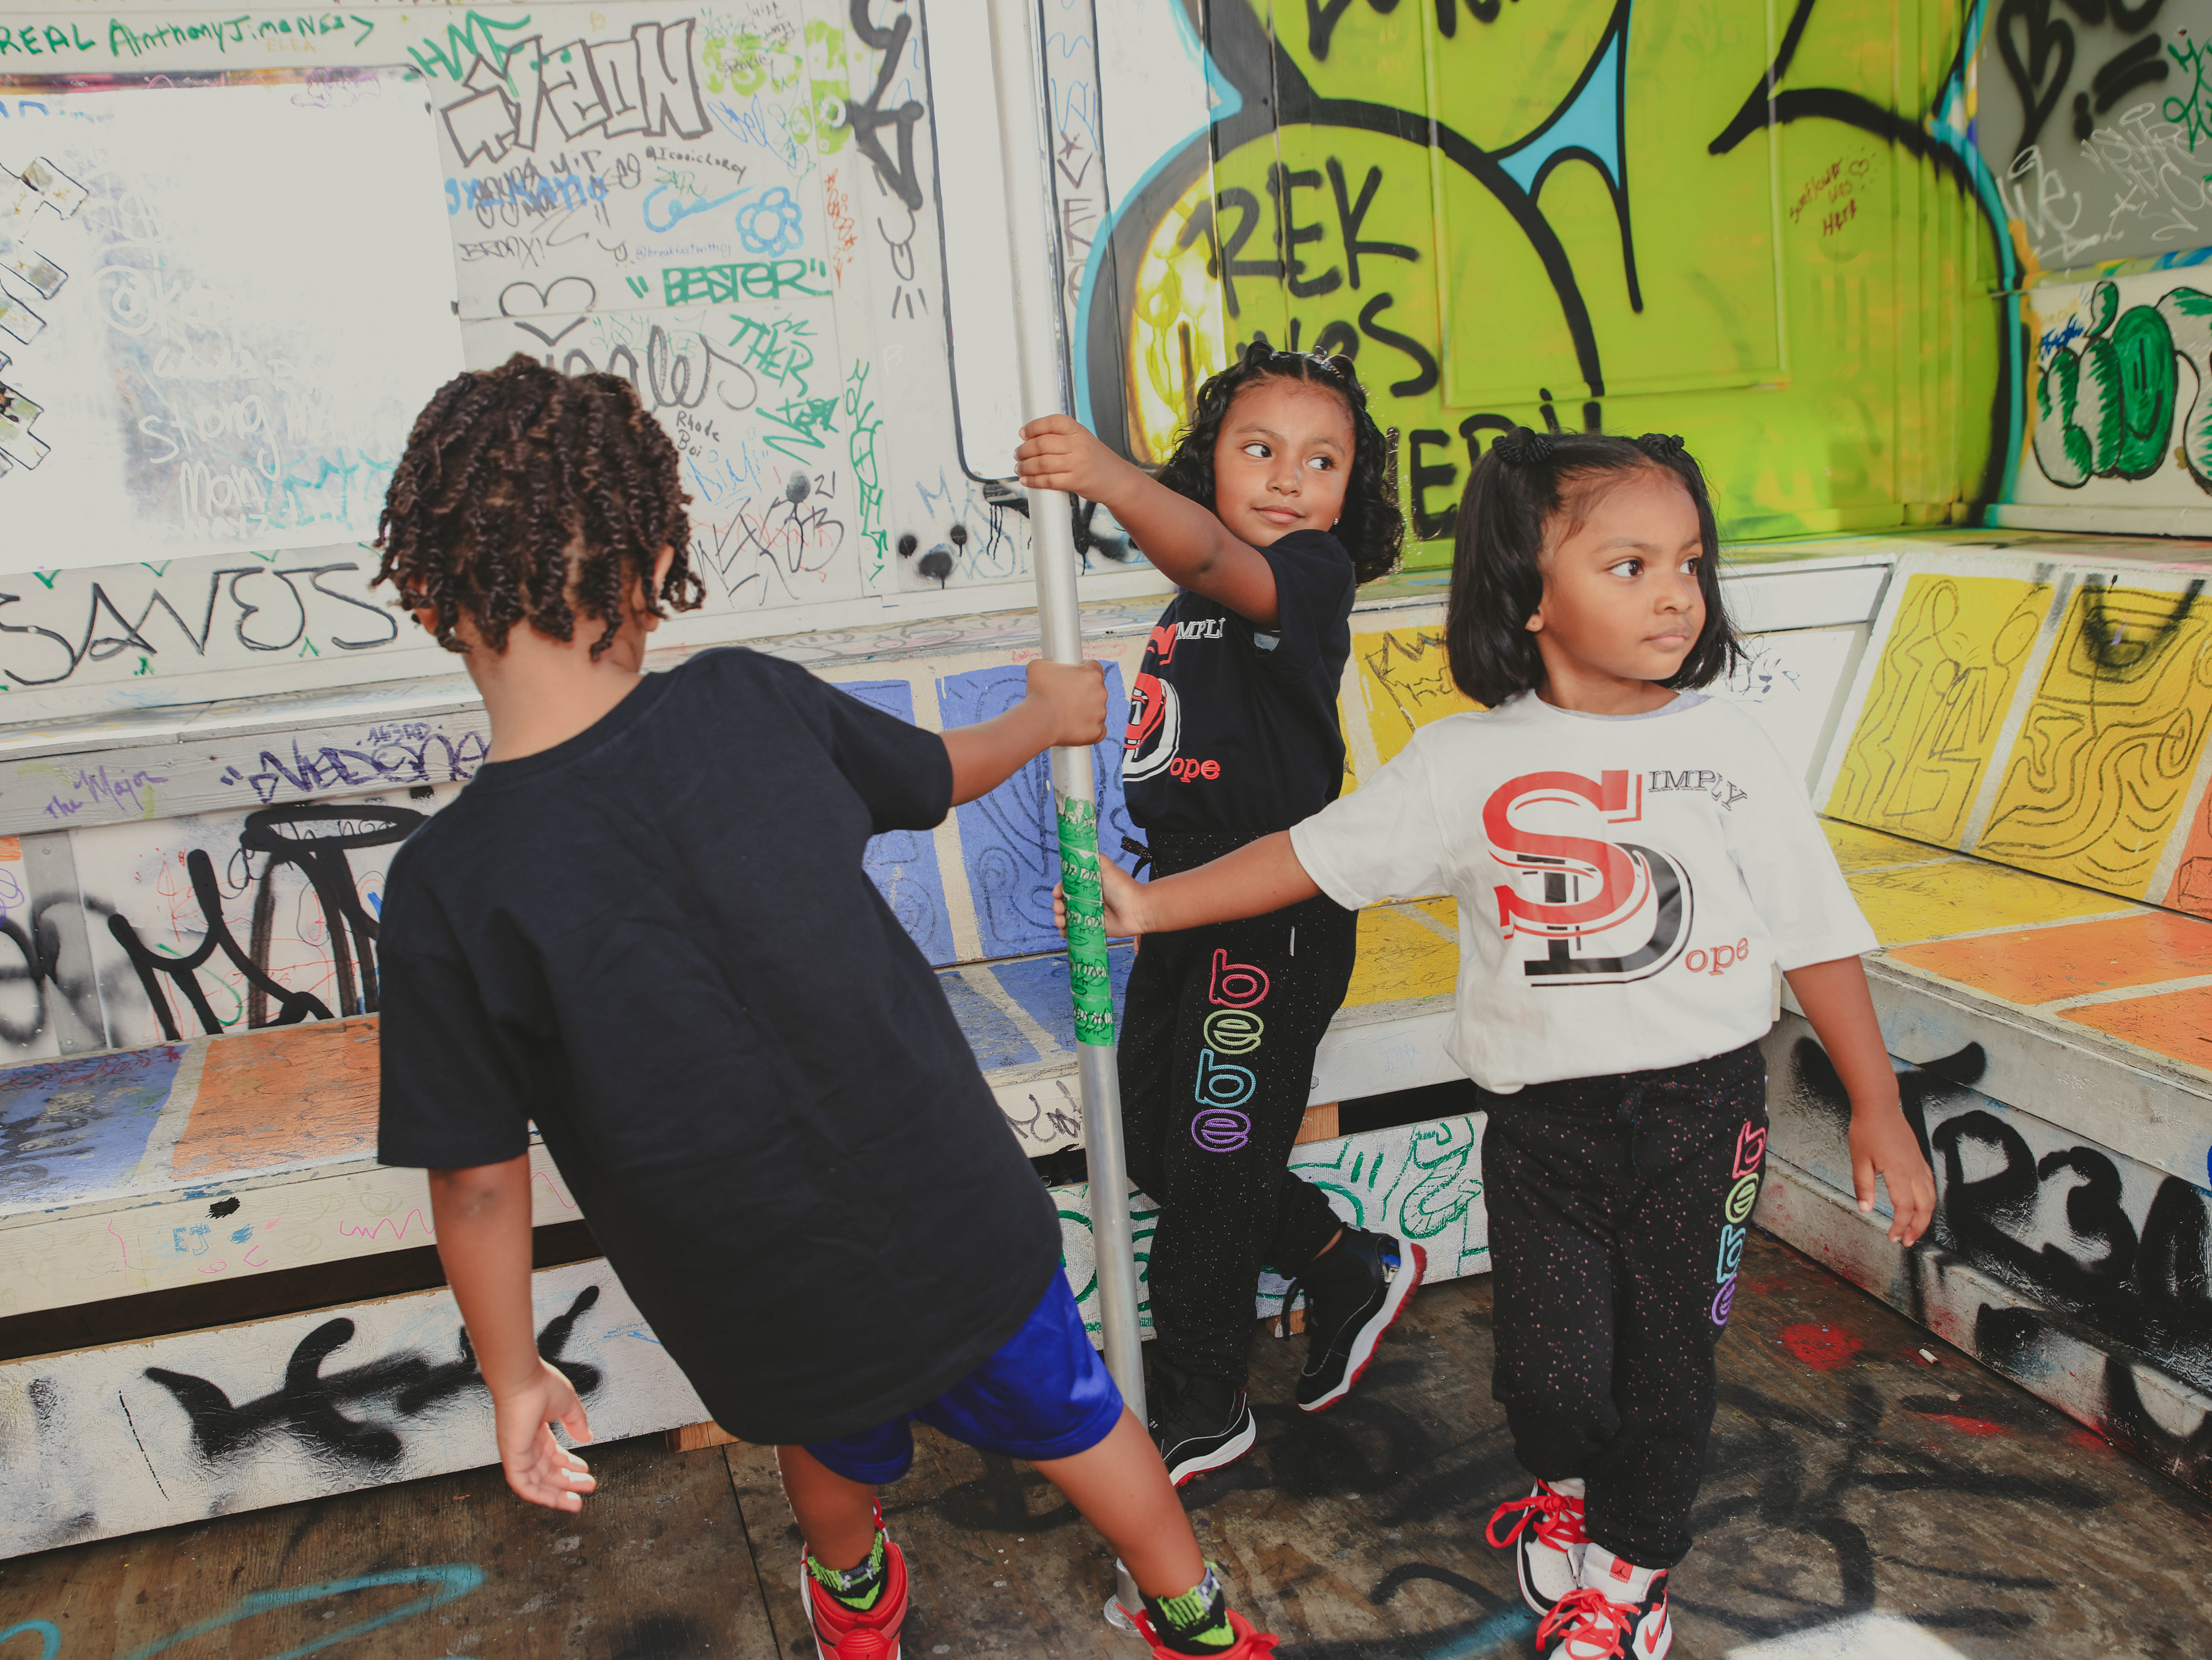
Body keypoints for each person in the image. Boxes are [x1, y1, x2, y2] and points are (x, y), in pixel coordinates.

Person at [372, 356, 1278, 1660]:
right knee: (1084, 1418)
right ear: (655, 560)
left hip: (758, 1287)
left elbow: (474, 1180)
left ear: (425, 596)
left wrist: (515, 1374)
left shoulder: (446, 887)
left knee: (830, 1450)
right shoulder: (745, 702)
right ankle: (1194, 1616)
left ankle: (856, 1601)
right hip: (958, 1214)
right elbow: (937, 773)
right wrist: (1043, 718)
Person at [1064, 429, 1937, 1660]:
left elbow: (1817, 933)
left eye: (1689, 562)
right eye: (1630, 565)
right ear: (1528, 595)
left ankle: (1627, 1579)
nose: (1677, 593)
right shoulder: (1464, 763)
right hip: (1543, 1127)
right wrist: (1154, 905)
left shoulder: (1729, 747)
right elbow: (1314, 855)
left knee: (1668, 1367)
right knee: (1550, 1374)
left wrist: (1876, 1103)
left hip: (1704, 1114)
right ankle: (1565, 1487)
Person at [1014, 340, 1418, 1488]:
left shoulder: (1309, 576)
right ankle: (1343, 1264)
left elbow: (1202, 546)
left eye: (1323, 460)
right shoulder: (1194, 601)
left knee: (1215, 1156)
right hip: (1184, 897)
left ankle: (1205, 1393)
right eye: (1260, 449)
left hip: (1273, 911)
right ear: (1213, 463)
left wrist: (1107, 475)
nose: (1291, 477)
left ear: (1350, 491)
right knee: (1154, 1135)